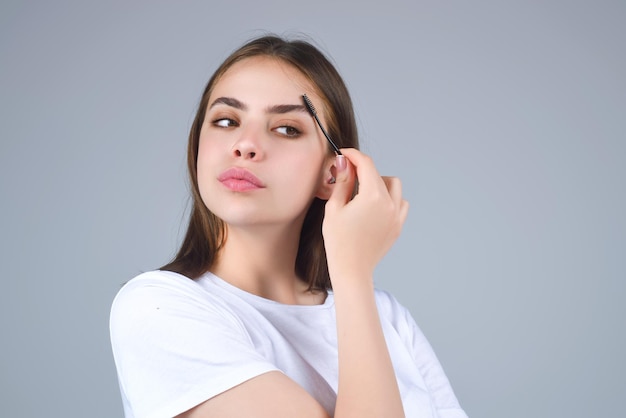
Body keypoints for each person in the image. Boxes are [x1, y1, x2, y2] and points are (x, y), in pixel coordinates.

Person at [110, 34, 468, 418]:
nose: (245, 145)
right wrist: (352, 271)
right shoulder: (157, 309)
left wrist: (353, 281)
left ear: (334, 173)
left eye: (286, 128)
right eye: (226, 121)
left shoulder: (387, 318)